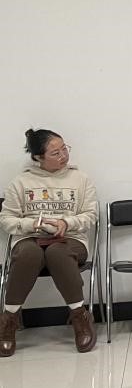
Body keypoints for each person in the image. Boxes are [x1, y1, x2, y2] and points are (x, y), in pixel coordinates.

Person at [0, 129, 98, 355]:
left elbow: (90, 215)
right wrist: (32, 225)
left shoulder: (80, 179)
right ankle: (9, 321)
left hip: (70, 239)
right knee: (29, 254)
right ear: (38, 157)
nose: (63, 155)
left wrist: (66, 222)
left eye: (65, 149)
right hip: (30, 238)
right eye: (56, 153)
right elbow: (6, 219)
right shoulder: (21, 182)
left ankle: (80, 317)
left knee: (57, 252)